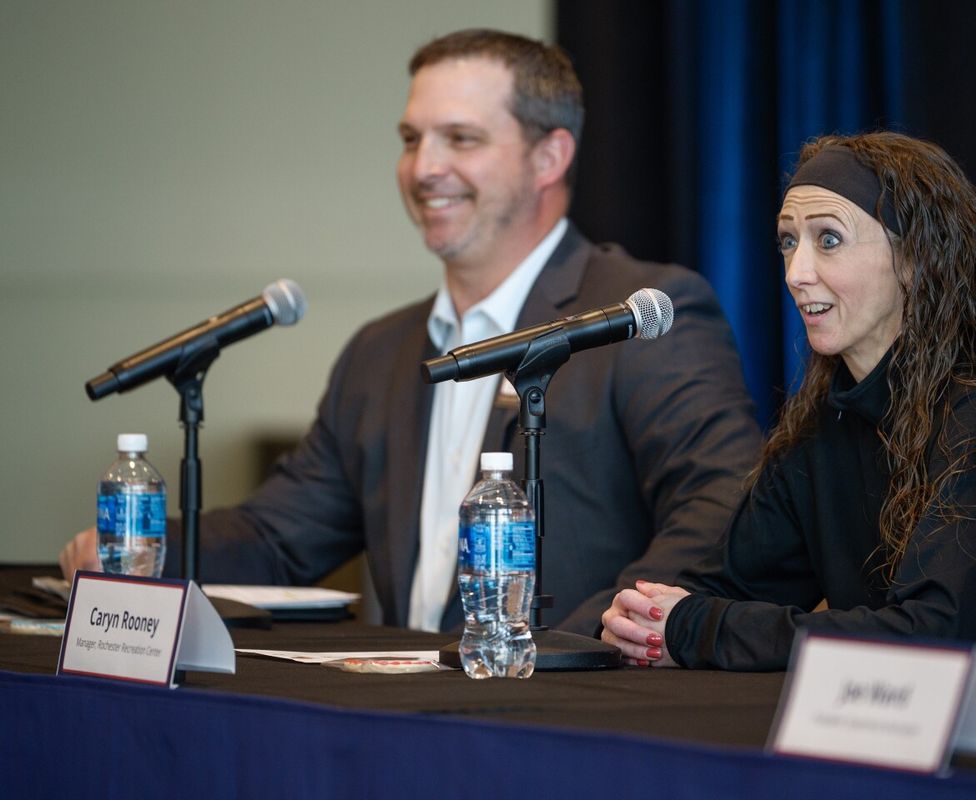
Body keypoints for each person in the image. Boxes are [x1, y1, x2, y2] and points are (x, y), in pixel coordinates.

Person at [59, 29, 760, 635]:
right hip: (409, 725)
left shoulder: (643, 313)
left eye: (460, 138)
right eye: (410, 139)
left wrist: (595, 636)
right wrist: (135, 544)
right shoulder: (380, 351)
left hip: (577, 718)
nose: (423, 168)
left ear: (549, 157)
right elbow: (279, 537)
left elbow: (722, 505)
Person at [601, 131, 976, 691]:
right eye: (788, 242)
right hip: (918, 735)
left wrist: (699, 625)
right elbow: (731, 590)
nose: (795, 273)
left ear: (913, 260)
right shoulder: (821, 428)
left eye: (828, 240)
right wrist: (645, 617)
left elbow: (928, 639)